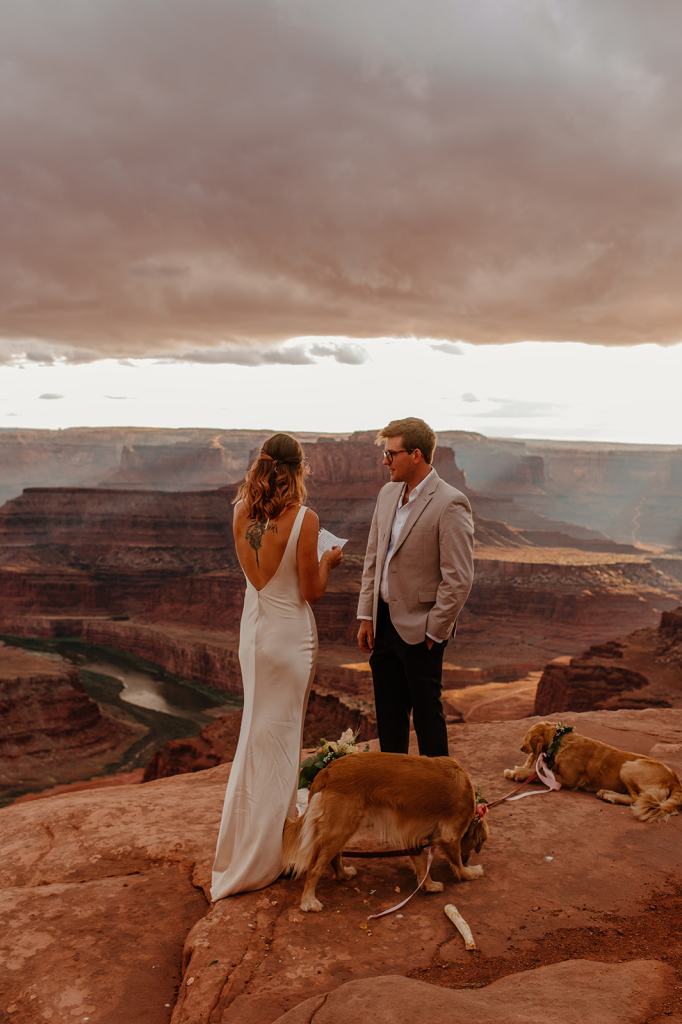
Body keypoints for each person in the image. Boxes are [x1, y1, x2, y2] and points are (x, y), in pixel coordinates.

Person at [211, 432, 342, 901]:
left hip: (254, 636)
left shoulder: (239, 512)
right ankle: (270, 852)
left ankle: (248, 841)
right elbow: (311, 591)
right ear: (299, 469)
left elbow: (258, 578)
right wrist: (329, 561)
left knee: (255, 733)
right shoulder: (305, 519)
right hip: (289, 638)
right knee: (283, 739)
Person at [357, 417, 474, 757]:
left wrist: (435, 630)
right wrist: (366, 615)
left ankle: (438, 784)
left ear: (416, 455)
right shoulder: (387, 494)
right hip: (383, 623)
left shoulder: (450, 502)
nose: (385, 461)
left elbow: (459, 576)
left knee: (426, 715)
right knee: (389, 715)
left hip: (421, 629)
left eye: (391, 454)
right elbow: (373, 556)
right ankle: (396, 782)